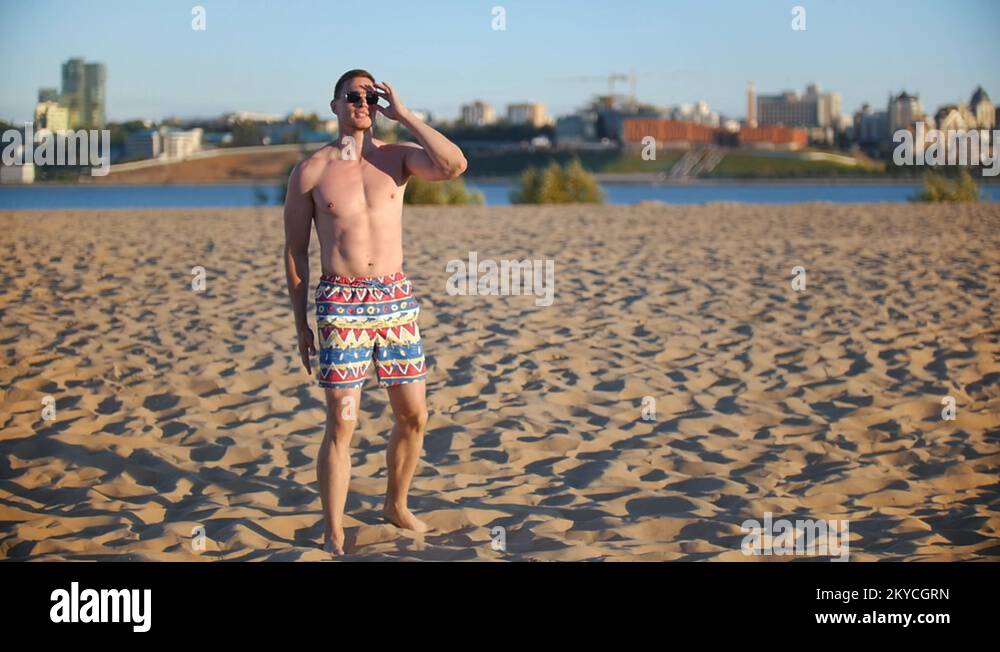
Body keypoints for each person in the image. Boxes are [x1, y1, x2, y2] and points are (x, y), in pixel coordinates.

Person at [282, 69, 467, 556]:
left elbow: (453, 165)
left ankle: (395, 504)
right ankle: (334, 529)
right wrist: (300, 321)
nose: (362, 103)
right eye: (353, 96)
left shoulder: (397, 159)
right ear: (334, 104)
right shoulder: (311, 170)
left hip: (395, 300)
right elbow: (296, 251)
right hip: (339, 302)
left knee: (414, 415)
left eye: (370, 95)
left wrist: (404, 115)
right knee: (343, 422)